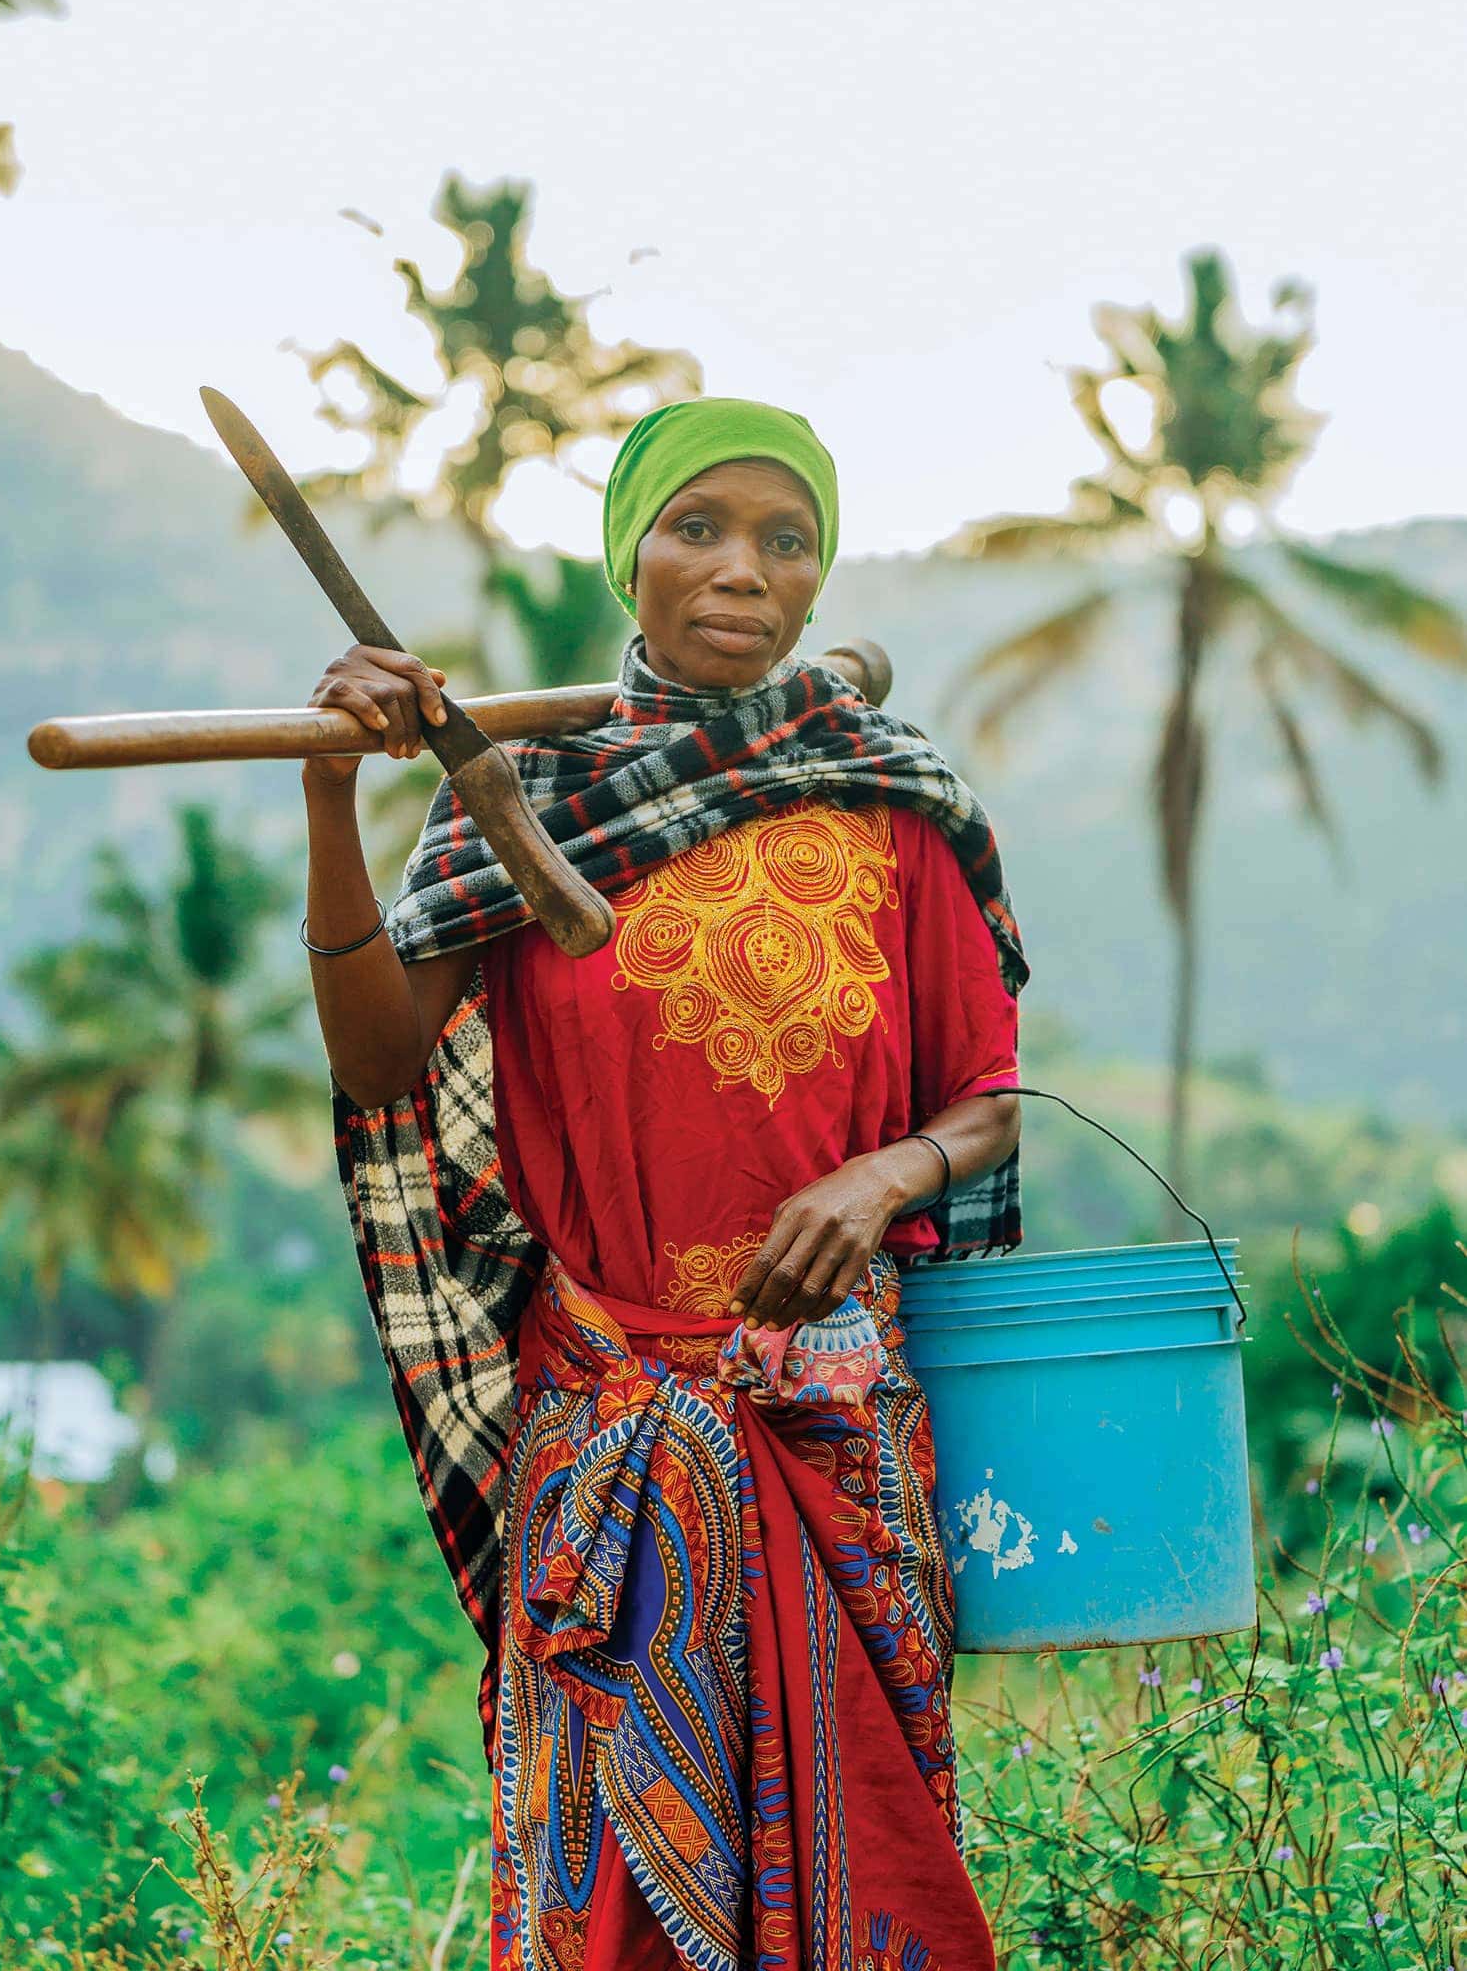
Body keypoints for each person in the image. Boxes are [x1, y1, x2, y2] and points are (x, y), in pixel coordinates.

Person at [299, 396, 1030, 1971]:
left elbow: (987, 1102)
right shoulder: (518, 797)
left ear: (824, 582)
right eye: (696, 530)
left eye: (785, 539)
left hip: (837, 1424)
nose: (741, 572)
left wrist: (881, 1175)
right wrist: (323, 788)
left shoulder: (891, 803)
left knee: (873, 1877)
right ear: (629, 557)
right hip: (611, 1432)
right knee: (608, 1905)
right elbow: (379, 1071)